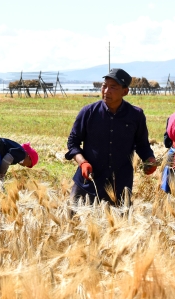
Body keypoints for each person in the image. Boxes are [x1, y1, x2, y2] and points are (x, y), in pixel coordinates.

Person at [65, 68, 157, 205]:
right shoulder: (88, 112)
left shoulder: (135, 116)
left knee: (119, 225)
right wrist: (82, 162)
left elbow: (142, 144)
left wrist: (149, 159)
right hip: (88, 183)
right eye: (104, 86)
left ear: (125, 91)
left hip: (119, 185)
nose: (106, 91)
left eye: (113, 87)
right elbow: (73, 143)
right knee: (74, 221)